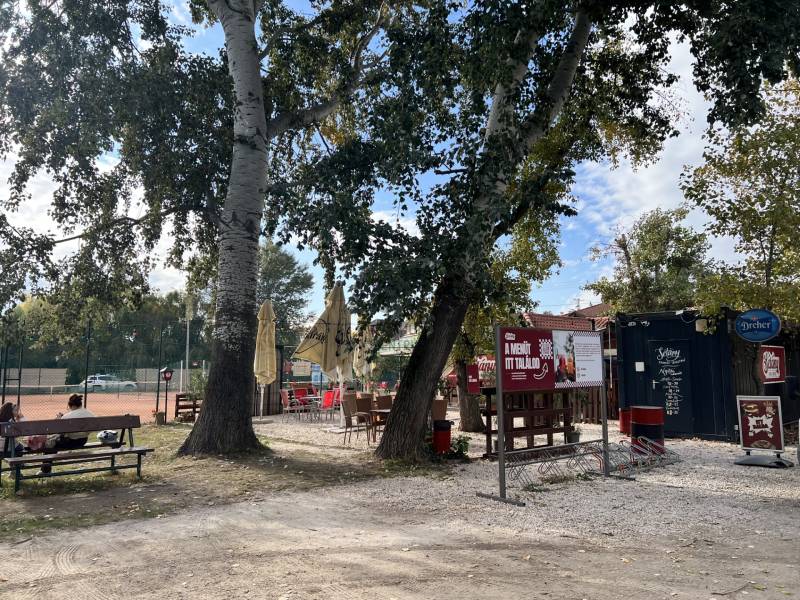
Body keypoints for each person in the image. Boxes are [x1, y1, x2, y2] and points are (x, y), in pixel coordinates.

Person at [39, 394, 96, 474]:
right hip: (83, 441)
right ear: (80, 404)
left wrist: (59, 420)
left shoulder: (67, 416)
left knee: (50, 445)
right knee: (53, 443)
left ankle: (45, 471)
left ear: (72, 405)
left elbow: (59, 431)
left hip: (70, 443)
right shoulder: (90, 414)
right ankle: (46, 470)